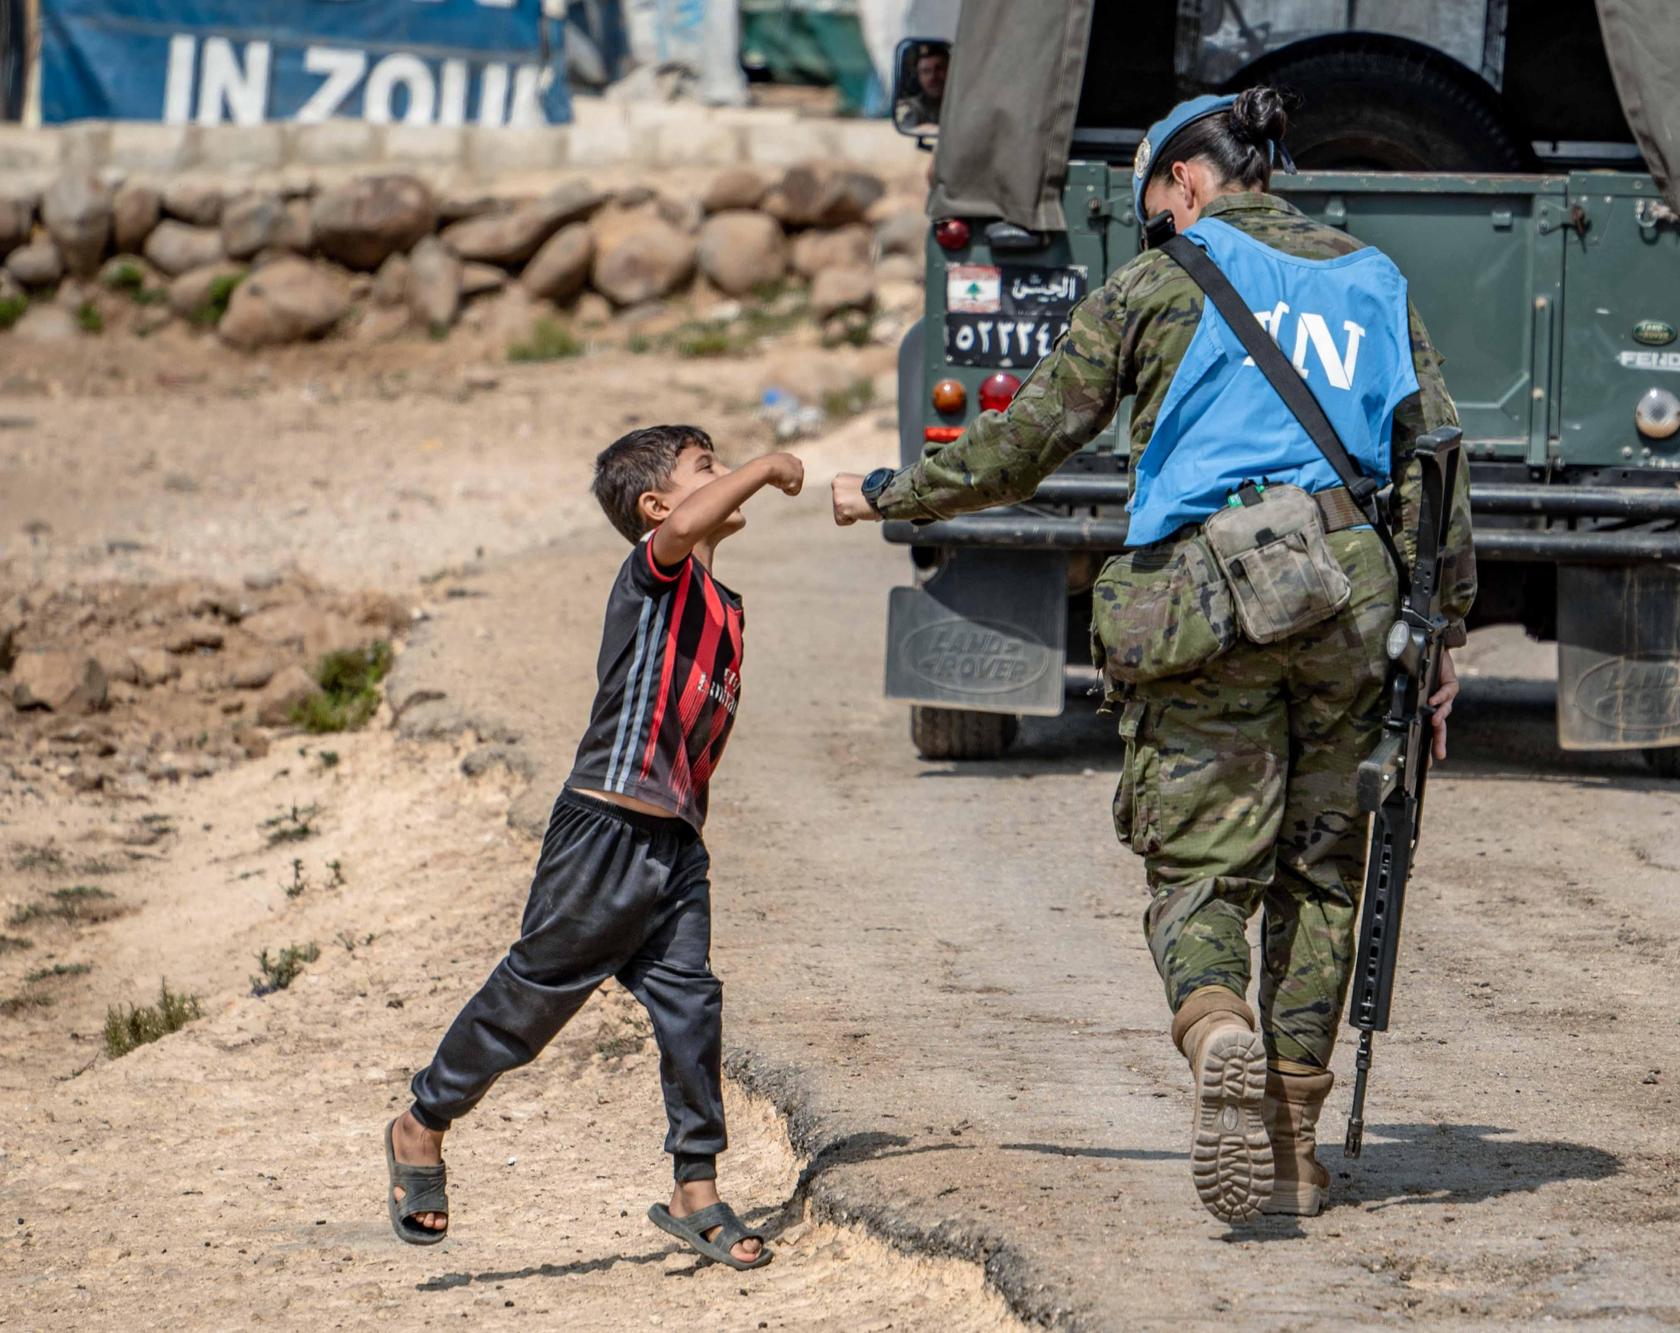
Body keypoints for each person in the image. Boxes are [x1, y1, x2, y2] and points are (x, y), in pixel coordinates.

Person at [831, 89, 1476, 1222]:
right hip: (1349, 594)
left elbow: (1023, 442)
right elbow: (1432, 461)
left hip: (1204, 598)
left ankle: (1215, 1020)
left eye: (1152, 205)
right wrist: (1441, 637)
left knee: (1199, 867)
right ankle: (1290, 1149)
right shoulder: (1374, 281)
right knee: (1324, 874)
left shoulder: (1153, 281)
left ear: (1183, 182)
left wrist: (893, 490)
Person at [383, 425, 804, 1270]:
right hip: (604, 828)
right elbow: (682, 536)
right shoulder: (657, 572)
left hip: (675, 844)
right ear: (658, 507)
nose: (722, 479)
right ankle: (421, 1122)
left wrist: (686, 831)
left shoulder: (727, 609)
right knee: (535, 997)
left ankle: (696, 1188)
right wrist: (763, 467)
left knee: (691, 1007)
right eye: (706, 469)